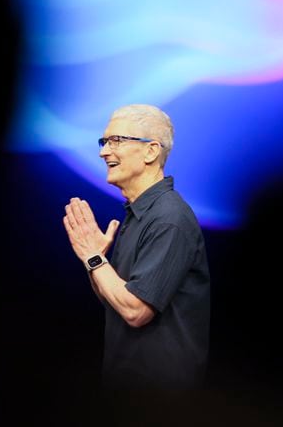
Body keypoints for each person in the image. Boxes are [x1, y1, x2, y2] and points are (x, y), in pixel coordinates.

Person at [62, 104, 210, 397]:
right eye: (104, 142)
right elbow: (116, 300)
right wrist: (97, 262)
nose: (104, 152)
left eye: (116, 140)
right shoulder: (139, 214)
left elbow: (136, 311)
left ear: (151, 151)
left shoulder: (169, 219)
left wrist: (94, 258)